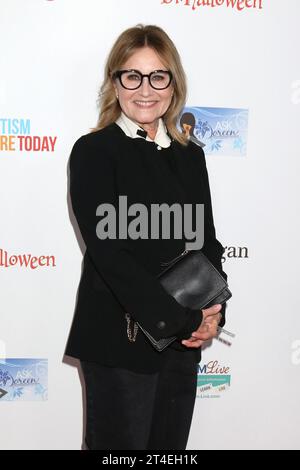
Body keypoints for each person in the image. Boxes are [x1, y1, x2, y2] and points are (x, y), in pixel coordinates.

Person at [64, 24, 228, 451]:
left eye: (158, 76)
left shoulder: (190, 155)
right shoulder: (95, 151)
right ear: (115, 84)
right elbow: (110, 256)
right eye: (132, 76)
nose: (145, 89)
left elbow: (206, 240)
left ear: (173, 85)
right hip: (121, 342)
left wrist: (214, 308)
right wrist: (185, 319)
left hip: (181, 344)